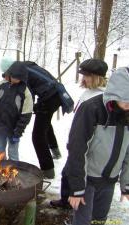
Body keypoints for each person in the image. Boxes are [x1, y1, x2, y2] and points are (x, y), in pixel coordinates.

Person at [64, 67, 129, 225]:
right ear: (116, 92)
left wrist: (126, 183)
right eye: (126, 99)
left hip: (109, 180)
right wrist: (77, 188)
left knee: (99, 220)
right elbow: (76, 148)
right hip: (88, 180)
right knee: (83, 221)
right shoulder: (92, 108)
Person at [50, 58, 108, 209]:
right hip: (77, 143)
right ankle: (66, 200)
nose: (84, 79)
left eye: (87, 76)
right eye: (83, 75)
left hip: (87, 148)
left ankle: (73, 203)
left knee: (73, 175)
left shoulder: (102, 98)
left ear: (97, 77)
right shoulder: (87, 93)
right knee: (66, 173)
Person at [3, 59, 66, 178]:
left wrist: (18, 118)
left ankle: (47, 170)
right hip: (53, 94)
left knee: (37, 136)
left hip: (51, 98)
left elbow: (28, 102)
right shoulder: (25, 67)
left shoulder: (23, 76)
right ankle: (55, 151)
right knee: (45, 123)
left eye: (9, 77)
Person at [0, 61, 33, 161]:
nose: (15, 80)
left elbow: (26, 115)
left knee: (13, 153)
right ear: (9, 74)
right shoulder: (0, 86)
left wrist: (18, 131)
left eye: (18, 78)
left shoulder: (25, 92)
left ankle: (12, 173)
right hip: (0, 126)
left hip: (14, 129)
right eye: (14, 77)